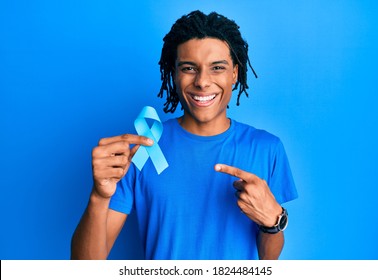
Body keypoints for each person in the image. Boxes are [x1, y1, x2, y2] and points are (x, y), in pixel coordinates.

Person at [71, 10, 298, 260]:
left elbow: (268, 263)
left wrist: (273, 221)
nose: (202, 81)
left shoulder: (267, 148)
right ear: (174, 73)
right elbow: (86, 266)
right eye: (189, 68)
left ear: (234, 73)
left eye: (217, 68)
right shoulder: (143, 149)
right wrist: (98, 196)